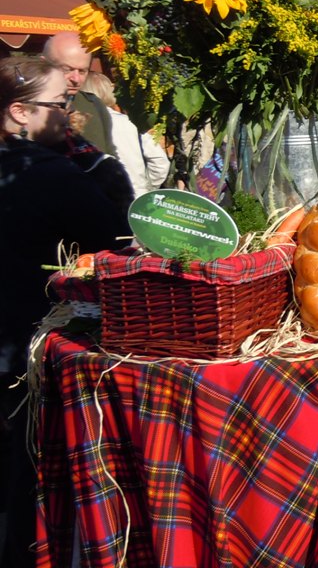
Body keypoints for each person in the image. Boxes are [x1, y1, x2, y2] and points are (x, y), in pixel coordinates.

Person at [0, 56, 129, 566]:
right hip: (30, 348)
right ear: (19, 112)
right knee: (29, 479)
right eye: (59, 105)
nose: (70, 114)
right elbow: (116, 242)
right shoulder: (53, 174)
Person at [82, 72, 171, 198]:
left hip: (102, 198)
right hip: (137, 198)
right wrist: (145, 188)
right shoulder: (131, 122)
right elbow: (160, 162)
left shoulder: (83, 125)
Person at [42, 31, 116, 156]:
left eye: (82, 71)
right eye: (67, 69)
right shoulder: (27, 108)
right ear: (43, 64)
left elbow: (110, 153)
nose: (76, 79)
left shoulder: (94, 105)